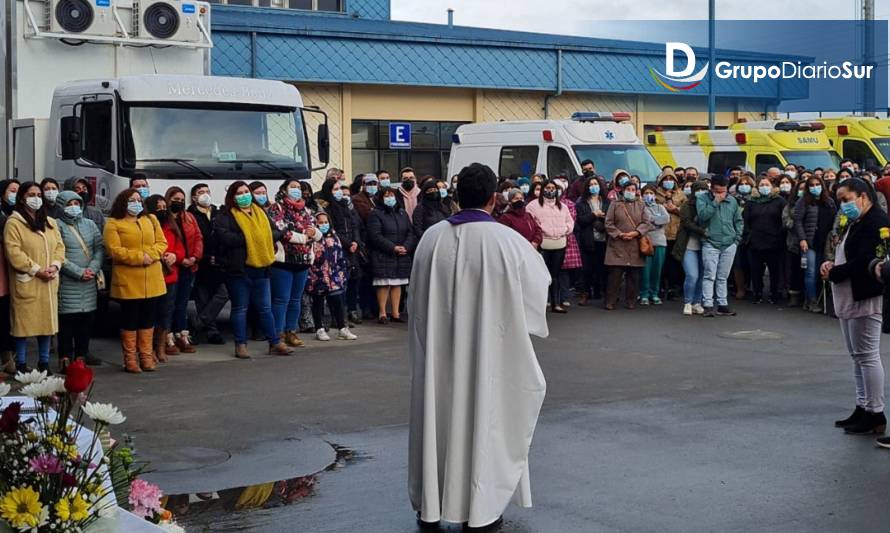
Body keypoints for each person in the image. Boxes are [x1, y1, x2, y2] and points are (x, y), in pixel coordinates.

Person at [408, 162, 549, 530]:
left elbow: (416, 299)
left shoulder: (431, 238)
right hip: (490, 351)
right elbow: (537, 294)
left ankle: (432, 505)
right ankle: (482, 508)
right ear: (493, 199)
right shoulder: (509, 242)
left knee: (439, 417)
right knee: (487, 420)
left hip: (439, 351)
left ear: (455, 197)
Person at [823, 178, 889, 436]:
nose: (843, 206)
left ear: (863, 196)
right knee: (857, 356)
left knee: (868, 354)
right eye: (839, 201)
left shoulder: (877, 221)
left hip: (865, 294)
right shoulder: (856, 220)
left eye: (846, 199)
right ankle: (862, 406)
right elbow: (843, 249)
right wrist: (830, 264)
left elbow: (866, 259)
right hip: (849, 293)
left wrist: (836, 272)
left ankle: (876, 411)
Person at [214, 181, 293, 358]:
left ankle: (274, 343)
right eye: (239, 193)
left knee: (265, 308)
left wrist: (259, 235)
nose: (244, 195)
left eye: (246, 191)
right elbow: (226, 238)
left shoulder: (261, 212)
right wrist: (252, 235)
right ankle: (240, 344)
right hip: (238, 270)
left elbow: (275, 232)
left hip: (262, 268)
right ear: (232, 197)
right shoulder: (225, 215)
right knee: (240, 308)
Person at [4, 182, 65, 374]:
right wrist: (37, 270)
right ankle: (21, 363)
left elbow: (59, 247)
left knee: (46, 325)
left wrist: (55, 265)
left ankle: (44, 362)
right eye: (31, 194)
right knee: (23, 325)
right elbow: (14, 253)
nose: (36, 197)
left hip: (49, 281)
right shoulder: (14, 223)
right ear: (22, 197)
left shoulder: (50, 222)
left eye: (39, 194)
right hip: (28, 280)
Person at [104, 188, 167, 373]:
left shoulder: (151, 219)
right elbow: (114, 250)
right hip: (129, 280)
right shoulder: (114, 223)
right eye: (132, 200)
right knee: (130, 319)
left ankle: (146, 357)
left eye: (139, 200)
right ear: (123, 202)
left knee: (148, 319)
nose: (136, 203)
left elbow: (162, 243)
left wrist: (151, 255)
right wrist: (139, 258)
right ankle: (130, 359)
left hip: (152, 278)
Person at [267, 179, 322, 348]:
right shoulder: (276, 208)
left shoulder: (306, 210)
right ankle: (278, 334)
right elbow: (283, 231)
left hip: (303, 261)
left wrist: (314, 234)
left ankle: (291, 331)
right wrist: (306, 237)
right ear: (284, 189)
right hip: (283, 261)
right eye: (293, 187)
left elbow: (317, 231)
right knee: (281, 299)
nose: (297, 190)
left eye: (299, 187)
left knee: (295, 299)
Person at [55, 190, 104, 372]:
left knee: (86, 321)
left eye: (77, 204)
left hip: (89, 282)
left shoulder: (90, 224)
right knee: (67, 323)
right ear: (61, 206)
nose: (74, 207)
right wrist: (78, 272)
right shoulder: (56, 225)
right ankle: (65, 359)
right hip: (68, 283)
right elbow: (57, 254)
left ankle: (81, 358)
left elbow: (99, 249)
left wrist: (92, 269)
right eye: (69, 204)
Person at [367, 187, 417, 323]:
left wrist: (406, 246)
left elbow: (410, 232)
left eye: (392, 195)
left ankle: (396, 313)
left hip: (401, 253)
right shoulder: (376, 214)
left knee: (397, 284)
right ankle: (382, 313)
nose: (390, 198)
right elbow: (375, 235)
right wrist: (393, 247)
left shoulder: (402, 212)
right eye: (386, 196)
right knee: (384, 283)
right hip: (384, 254)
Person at [319, 179, 364, 326]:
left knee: (353, 281)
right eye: (335, 189)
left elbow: (355, 225)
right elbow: (332, 229)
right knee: (337, 285)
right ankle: (337, 317)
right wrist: (348, 243)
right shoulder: (326, 208)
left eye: (339, 188)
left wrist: (356, 242)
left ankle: (350, 311)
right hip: (337, 249)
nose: (338, 192)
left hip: (353, 249)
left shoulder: (347, 206)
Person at [697, 174, 743, 317]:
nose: (721, 194)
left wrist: (736, 239)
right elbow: (703, 216)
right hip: (710, 242)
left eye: (724, 190)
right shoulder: (702, 199)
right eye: (718, 191)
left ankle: (723, 304)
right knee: (709, 275)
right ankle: (708, 305)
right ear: (711, 188)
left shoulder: (732, 201)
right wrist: (715, 202)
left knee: (723, 276)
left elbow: (739, 220)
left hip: (729, 243)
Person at [164, 187, 203, 353]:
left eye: (181, 199)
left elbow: (199, 238)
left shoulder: (189, 217)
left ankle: (182, 335)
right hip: (171, 267)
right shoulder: (163, 219)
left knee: (182, 304)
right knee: (169, 304)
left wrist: (194, 257)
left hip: (189, 267)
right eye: (175, 199)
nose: (179, 202)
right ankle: (167, 337)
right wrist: (181, 259)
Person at [144, 194, 183, 362]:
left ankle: (161, 346)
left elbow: (181, 249)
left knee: (166, 313)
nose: (162, 211)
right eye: (157, 208)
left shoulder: (172, 226)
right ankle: (149, 348)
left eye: (163, 208)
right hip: (152, 275)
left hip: (170, 275)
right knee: (150, 313)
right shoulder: (146, 226)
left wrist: (175, 256)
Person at [307, 212, 357, 341]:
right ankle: (319, 329)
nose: (323, 225)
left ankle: (342, 328)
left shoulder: (335, 236)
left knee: (337, 302)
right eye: (320, 223)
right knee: (318, 302)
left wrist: (341, 272)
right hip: (318, 275)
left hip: (334, 276)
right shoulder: (313, 238)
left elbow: (339, 255)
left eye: (325, 222)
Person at [188, 184, 227, 345]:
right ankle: (212, 331)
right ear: (194, 198)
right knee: (203, 297)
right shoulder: (190, 215)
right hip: (201, 262)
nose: (205, 195)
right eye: (200, 192)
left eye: (207, 191)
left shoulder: (218, 213)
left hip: (219, 262)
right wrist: (203, 256)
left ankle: (198, 323)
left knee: (223, 293)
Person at [526, 181, 574, 313]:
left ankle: (556, 304)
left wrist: (565, 230)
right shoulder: (533, 205)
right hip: (543, 244)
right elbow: (530, 222)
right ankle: (539, 303)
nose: (551, 190)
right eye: (548, 188)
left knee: (555, 275)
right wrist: (542, 231)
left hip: (559, 243)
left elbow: (570, 222)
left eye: (553, 188)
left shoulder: (562, 206)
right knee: (541, 275)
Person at [604, 182, 651, 310]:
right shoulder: (615, 204)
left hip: (635, 244)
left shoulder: (641, 205)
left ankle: (631, 300)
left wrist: (635, 233)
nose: (631, 191)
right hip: (617, 244)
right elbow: (608, 223)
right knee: (615, 276)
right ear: (623, 190)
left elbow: (646, 222)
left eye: (633, 189)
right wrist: (619, 234)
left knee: (633, 276)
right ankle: (610, 301)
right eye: (628, 189)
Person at [794, 175, 836, 313]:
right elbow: (798, 221)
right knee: (810, 272)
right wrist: (802, 239)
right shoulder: (803, 201)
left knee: (821, 272)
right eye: (811, 185)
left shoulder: (829, 201)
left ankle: (816, 299)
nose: (815, 187)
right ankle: (811, 300)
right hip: (809, 242)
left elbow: (835, 219)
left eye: (817, 184)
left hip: (825, 242)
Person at [744, 177, 786, 304]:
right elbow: (746, 220)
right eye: (761, 185)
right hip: (755, 241)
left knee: (774, 270)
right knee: (756, 270)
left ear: (772, 186)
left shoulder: (779, 201)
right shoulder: (751, 201)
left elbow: (783, 220)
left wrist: (779, 235)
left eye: (767, 184)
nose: (764, 187)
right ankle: (758, 293)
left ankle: (774, 293)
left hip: (774, 241)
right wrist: (749, 236)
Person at [674, 180, 710, 316]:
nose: (701, 192)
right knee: (692, 275)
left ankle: (697, 302)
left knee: (702, 275)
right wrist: (702, 231)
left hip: (705, 246)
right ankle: (688, 302)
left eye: (704, 190)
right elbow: (687, 223)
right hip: (689, 245)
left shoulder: (709, 205)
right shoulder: (686, 206)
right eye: (699, 190)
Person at [575, 175, 608, 304]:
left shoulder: (606, 201)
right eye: (591, 184)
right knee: (587, 269)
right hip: (587, 239)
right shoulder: (581, 202)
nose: (594, 186)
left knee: (602, 268)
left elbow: (611, 218)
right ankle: (585, 293)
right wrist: (594, 215)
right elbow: (581, 221)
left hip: (603, 239)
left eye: (596, 184)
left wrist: (602, 218)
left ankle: (601, 292)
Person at [656, 171, 686, 300]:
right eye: (666, 179)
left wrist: (675, 209)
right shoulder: (655, 194)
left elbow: (686, 213)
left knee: (675, 263)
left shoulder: (681, 194)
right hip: (661, 234)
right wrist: (663, 208)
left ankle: (675, 289)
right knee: (661, 263)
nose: (668, 181)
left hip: (676, 233)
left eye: (671, 179)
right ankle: (660, 288)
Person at [639, 184, 670, 305]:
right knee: (645, 270)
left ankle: (654, 293)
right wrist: (657, 221)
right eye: (646, 193)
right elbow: (644, 223)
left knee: (657, 270)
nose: (649, 195)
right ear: (642, 195)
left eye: (651, 193)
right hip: (647, 241)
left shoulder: (660, 206)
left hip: (660, 242)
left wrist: (652, 220)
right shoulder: (641, 207)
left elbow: (666, 219)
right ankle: (644, 294)